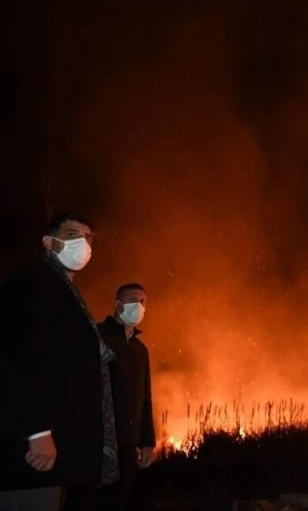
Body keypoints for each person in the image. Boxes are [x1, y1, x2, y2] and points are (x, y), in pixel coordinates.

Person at [0, 212, 120, 511]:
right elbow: (13, 358)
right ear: (47, 242)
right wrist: (37, 432)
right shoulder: (30, 283)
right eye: (71, 234)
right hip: (34, 453)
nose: (83, 242)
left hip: (61, 448)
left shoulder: (63, 289)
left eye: (88, 237)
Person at [96, 283, 155, 510]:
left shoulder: (141, 350)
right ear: (117, 304)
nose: (138, 305)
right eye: (132, 299)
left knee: (123, 500)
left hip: (128, 445)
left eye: (143, 301)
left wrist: (147, 442)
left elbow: (145, 399)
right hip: (100, 440)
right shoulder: (97, 336)